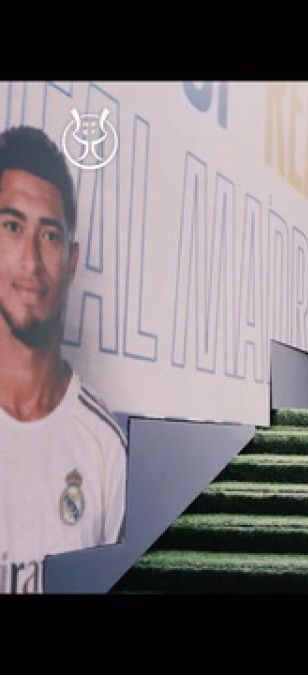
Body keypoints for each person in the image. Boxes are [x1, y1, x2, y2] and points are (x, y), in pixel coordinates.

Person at [0, 125, 127, 594]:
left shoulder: (105, 448)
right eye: (12, 227)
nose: (31, 262)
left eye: (50, 236)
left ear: (71, 261)